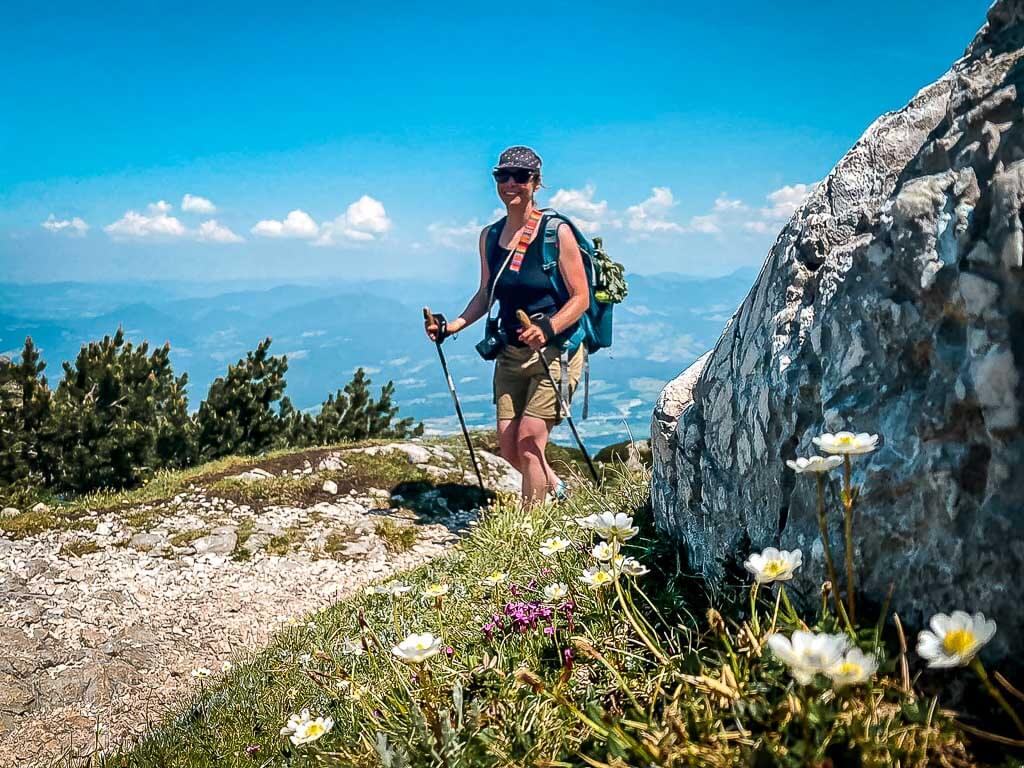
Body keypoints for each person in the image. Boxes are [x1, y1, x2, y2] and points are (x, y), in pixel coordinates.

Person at [425, 146, 590, 507]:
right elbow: (486, 294)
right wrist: (451, 327)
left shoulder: (555, 233)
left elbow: (581, 298)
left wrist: (547, 329)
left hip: (556, 351)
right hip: (511, 352)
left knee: (530, 441)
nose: (511, 183)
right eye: (503, 176)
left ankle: (529, 532)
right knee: (510, 447)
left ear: (536, 183)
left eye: (521, 176)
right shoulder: (489, 237)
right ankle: (559, 491)